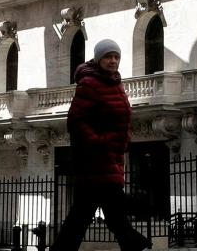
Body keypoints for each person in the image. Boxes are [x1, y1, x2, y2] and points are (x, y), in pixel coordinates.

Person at [54, 40, 150, 251]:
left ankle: (133, 244)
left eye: (116, 57)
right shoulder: (89, 83)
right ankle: (135, 244)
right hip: (95, 161)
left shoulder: (115, 83)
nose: (113, 61)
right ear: (99, 59)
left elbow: (119, 118)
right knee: (108, 212)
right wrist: (99, 142)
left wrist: (124, 140)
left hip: (111, 158)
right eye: (108, 57)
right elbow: (76, 120)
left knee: (93, 214)